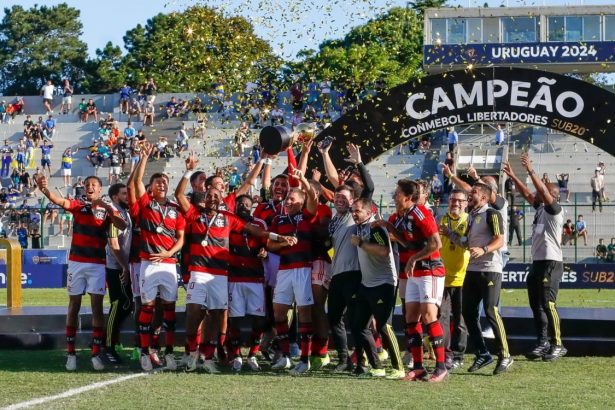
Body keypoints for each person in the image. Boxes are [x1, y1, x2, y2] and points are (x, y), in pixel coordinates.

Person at [36, 174, 126, 371]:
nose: (89, 187)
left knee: (96, 308)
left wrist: (107, 207)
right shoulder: (78, 205)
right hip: (76, 263)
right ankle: (71, 354)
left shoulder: (107, 209)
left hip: (97, 265)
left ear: (100, 189)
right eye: (87, 184)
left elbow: (122, 225)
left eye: (93, 184)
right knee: (73, 305)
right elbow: (58, 200)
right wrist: (44, 190)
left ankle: (95, 354)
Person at [504, 153, 567, 361]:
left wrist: (531, 170)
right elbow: (527, 193)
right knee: (536, 305)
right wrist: (513, 176)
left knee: (549, 304)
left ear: (551, 195)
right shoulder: (540, 209)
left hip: (551, 262)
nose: (537, 194)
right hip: (537, 263)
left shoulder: (555, 210)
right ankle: (543, 342)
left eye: (542, 192)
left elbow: (541, 191)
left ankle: (558, 344)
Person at [382, 179, 446, 382]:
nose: (394, 196)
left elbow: (436, 244)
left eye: (397, 193)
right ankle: (418, 367)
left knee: (428, 315)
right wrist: (388, 226)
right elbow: (407, 242)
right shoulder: (403, 216)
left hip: (430, 270)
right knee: (411, 318)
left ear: (408, 197)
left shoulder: (420, 212)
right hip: (414, 273)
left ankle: (441, 366)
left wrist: (413, 259)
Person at [131, 143, 185, 371]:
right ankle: (145, 352)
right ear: (151, 187)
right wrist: (144, 158)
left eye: (164, 182)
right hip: (149, 263)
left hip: (169, 264)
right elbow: (136, 182)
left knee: (170, 310)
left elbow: (181, 238)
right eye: (157, 182)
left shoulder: (175, 209)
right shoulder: (146, 204)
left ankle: (169, 352)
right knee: (148, 308)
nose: (161, 184)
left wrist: (170, 253)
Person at [267, 169, 317, 375]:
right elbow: (269, 245)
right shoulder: (278, 220)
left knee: (304, 313)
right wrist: (283, 242)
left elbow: (313, 197)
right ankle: (286, 356)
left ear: (301, 202)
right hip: (284, 270)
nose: (287, 201)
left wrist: (303, 179)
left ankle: (305, 359)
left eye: (292, 199)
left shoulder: (307, 216)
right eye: (287, 198)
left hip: (303, 269)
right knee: (279, 313)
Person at [349, 197, 404, 379]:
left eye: (357, 210)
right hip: (366, 284)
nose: (354, 214)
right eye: (352, 210)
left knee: (384, 326)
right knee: (358, 325)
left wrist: (361, 243)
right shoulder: (360, 227)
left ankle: (398, 367)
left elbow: (384, 251)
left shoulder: (375, 227)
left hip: (383, 283)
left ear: (369, 211)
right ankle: (376, 366)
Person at [463, 182, 512, 375]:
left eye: (473, 192)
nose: (470, 194)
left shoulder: (492, 214)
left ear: (483, 197)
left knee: (491, 310)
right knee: (468, 312)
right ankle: (482, 353)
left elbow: (499, 240)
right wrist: (450, 234)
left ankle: (505, 355)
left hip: (490, 269)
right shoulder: (471, 216)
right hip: (472, 269)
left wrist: (484, 249)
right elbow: (467, 242)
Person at [437, 189, 469, 371]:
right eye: (452, 200)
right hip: (441, 276)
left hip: (462, 277)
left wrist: (449, 233)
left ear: (466, 203)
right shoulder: (440, 219)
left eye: (459, 200)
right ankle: (445, 354)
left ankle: (459, 354)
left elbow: (466, 243)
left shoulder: (469, 220)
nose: (455, 203)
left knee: (460, 319)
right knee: (442, 317)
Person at [104, 183, 134, 364]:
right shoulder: (114, 213)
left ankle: (112, 339)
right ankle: (107, 346)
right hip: (116, 267)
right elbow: (114, 243)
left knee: (127, 305)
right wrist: (124, 267)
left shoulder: (125, 212)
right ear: (115, 197)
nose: (127, 196)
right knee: (117, 304)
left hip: (124, 266)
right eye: (124, 193)